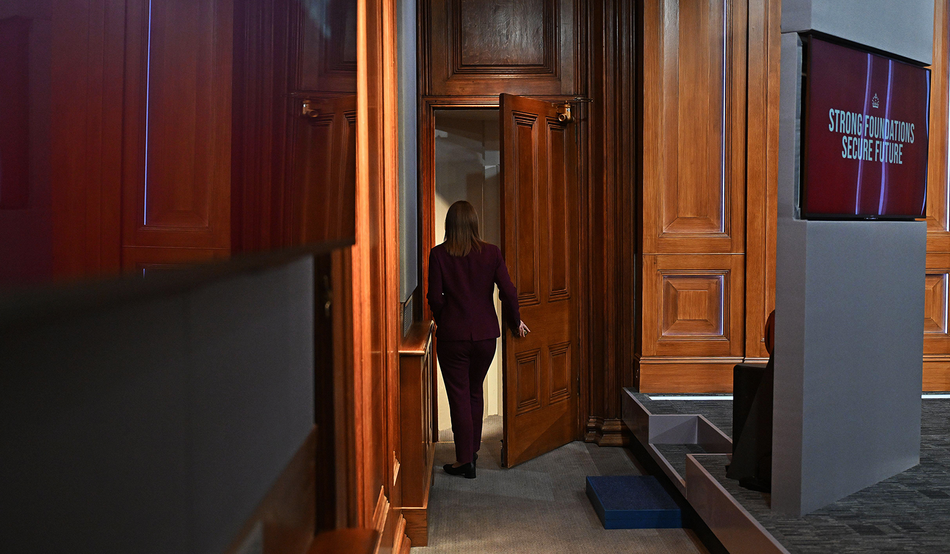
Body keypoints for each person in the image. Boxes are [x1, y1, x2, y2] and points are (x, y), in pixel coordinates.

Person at [427, 200, 529, 479]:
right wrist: (514, 321)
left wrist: (446, 317)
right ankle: (470, 453)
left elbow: (434, 298)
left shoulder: (438, 255)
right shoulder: (491, 253)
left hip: (453, 338)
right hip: (485, 336)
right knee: (475, 391)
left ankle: (464, 461)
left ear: (449, 226)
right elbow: (508, 292)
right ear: (474, 223)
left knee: (459, 396)